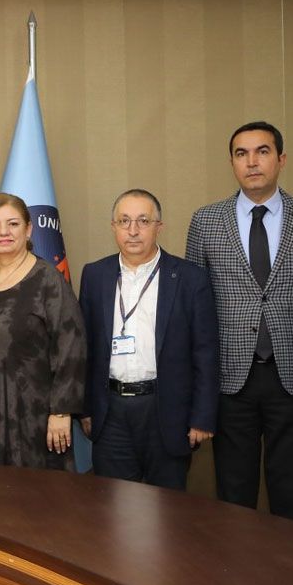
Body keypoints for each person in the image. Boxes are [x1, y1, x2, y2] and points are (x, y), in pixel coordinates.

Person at [185, 121, 293, 523]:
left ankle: (291, 564)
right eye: (242, 154)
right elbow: (193, 309)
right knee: (233, 492)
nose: (252, 162)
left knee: (291, 491)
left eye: (262, 151)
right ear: (232, 163)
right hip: (229, 377)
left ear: (281, 159)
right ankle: (236, 564)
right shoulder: (206, 221)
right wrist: (197, 380)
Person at [78, 189, 218, 490]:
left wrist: (202, 416)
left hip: (165, 410)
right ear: (113, 226)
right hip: (110, 411)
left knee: (167, 507)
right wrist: (86, 409)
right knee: (113, 505)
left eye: (143, 221)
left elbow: (205, 352)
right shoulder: (95, 275)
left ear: (159, 227)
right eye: (124, 221)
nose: (133, 230)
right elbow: (85, 349)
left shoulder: (190, 278)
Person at [0, 193, 86, 469]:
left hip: (34, 416)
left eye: (13, 224)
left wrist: (61, 411)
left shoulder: (48, 280)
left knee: (34, 492)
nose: (3, 232)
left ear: (28, 229)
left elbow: (71, 348)